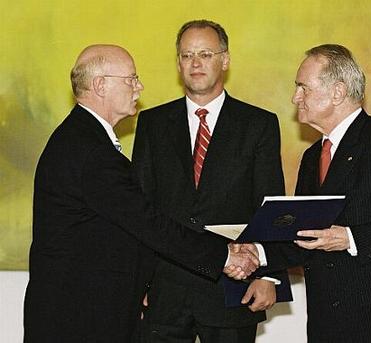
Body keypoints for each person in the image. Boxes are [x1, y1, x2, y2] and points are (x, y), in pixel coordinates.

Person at [23, 44, 259, 343]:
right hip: (81, 320)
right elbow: (148, 222)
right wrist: (224, 255)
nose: (139, 87)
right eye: (131, 79)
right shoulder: (91, 151)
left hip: (85, 314)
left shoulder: (83, 139)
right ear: (100, 85)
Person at [228, 44, 371, 342]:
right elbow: (305, 234)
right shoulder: (313, 156)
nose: (294, 97)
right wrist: (257, 253)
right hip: (328, 319)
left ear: (338, 92)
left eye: (303, 87)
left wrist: (350, 238)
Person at [132, 20, 287, 343]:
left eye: (205, 53)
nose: (196, 63)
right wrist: (137, 282)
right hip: (166, 289)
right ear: (178, 64)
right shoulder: (152, 123)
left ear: (225, 60)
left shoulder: (258, 124)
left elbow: (269, 203)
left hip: (233, 288)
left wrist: (270, 276)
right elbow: (141, 206)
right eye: (187, 56)